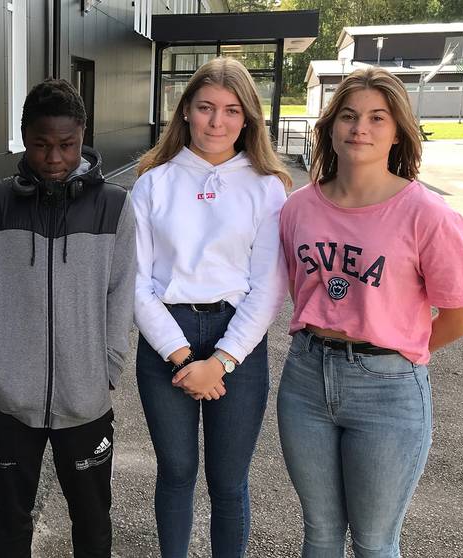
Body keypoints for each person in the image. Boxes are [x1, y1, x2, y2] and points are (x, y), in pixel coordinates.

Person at [277, 67, 463, 557]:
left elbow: (462, 314)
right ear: (330, 126)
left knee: (373, 541)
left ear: (397, 132)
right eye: (348, 116)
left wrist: (398, 349)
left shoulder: (428, 214)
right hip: (305, 378)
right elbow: (300, 287)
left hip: (387, 389)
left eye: (377, 118)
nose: (360, 128)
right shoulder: (298, 208)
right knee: (320, 532)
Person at [0, 78, 136, 558]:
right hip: (9, 402)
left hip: (86, 400)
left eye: (67, 145)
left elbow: (121, 291)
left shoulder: (114, 205)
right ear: (24, 137)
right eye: (41, 144)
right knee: (10, 519)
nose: (55, 158)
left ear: (82, 137)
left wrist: (108, 365)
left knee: (93, 521)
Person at [131, 57, 290, 558]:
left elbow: (269, 287)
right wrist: (182, 357)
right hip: (167, 337)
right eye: (205, 108)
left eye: (231, 110)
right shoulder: (153, 182)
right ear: (185, 111)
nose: (216, 122)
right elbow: (135, 282)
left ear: (248, 119)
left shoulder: (266, 187)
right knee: (176, 472)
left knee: (228, 480)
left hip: (237, 340)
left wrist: (220, 361)